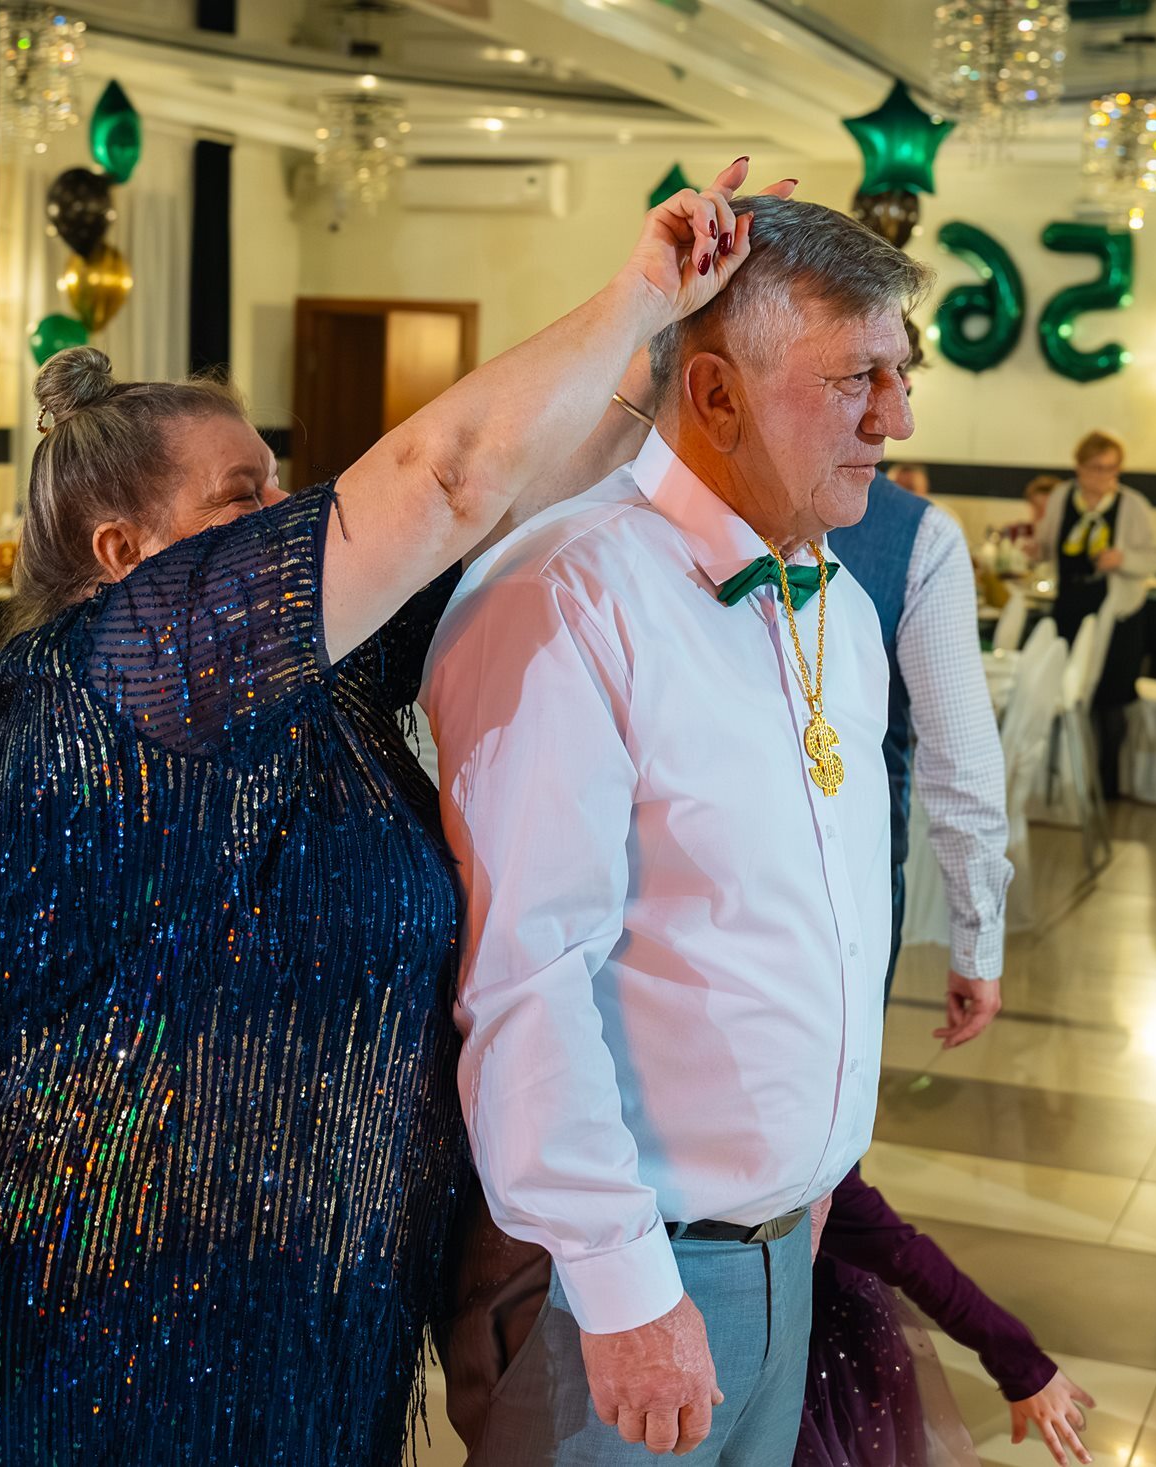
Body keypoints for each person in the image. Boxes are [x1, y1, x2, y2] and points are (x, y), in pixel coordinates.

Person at [0, 158, 785, 1466]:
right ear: (122, 555)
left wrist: (682, 329)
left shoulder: (328, 672)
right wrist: (637, 289)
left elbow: (525, 491)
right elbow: (449, 480)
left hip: (308, 1289)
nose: (285, 515)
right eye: (239, 496)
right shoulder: (112, 668)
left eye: (276, 480)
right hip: (107, 1288)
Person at [426, 195, 920, 1464]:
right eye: (855, 379)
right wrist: (625, 1286)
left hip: (785, 1248)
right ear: (713, 395)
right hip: (617, 1277)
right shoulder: (565, 595)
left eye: (901, 375)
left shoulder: (838, 605)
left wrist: (809, 1180)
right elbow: (528, 975)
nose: (896, 419)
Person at [827, 445, 1009, 1021]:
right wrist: (977, 944)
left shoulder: (920, 539)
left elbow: (961, 756)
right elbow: (961, 759)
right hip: (849, 883)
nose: (894, 420)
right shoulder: (921, 536)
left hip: (854, 878)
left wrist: (978, 933)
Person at [798, 1167, 1094, 1467]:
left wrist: (1022, 1364)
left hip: (834, 1324)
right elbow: (896, 1250)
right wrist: (1019, 1361)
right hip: (805, 1344)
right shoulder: (811, 1165)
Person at [1034, 431, 1156, 792]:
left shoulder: (1132, 505)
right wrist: (1033, 550)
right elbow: (1047, 544)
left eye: (1111, 468)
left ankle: (1108, 784)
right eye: (1096, 468)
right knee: (1064, 688)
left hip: (1117, 611)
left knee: (1111, 697)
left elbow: (1155, 556)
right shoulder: (1062, 497)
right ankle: (1063, 777)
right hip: (1070, 604)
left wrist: (1123, 559)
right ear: (1079, 468)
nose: (1104, 476)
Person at [1000, 474, 1060, 544]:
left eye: (1048, 508)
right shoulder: (1020, 532)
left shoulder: (1063, 538)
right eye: (1037, 507)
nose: (1042, 514)